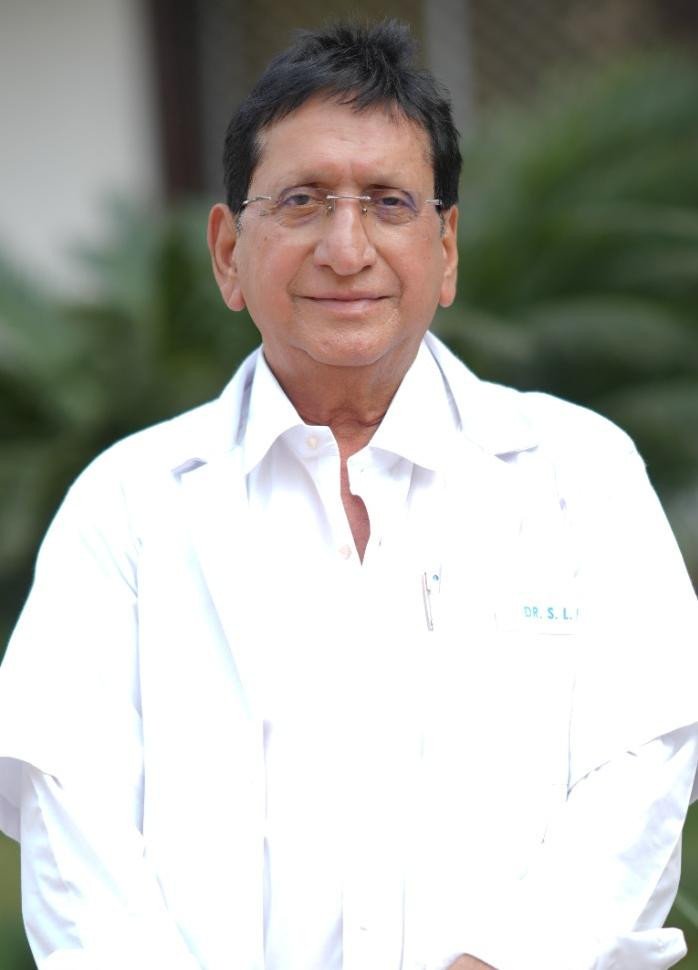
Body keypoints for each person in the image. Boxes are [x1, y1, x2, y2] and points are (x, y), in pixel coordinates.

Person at [1, 18, 697, 970]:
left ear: (446, 248)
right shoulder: (126, 508)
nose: (346, 246)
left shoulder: (579, 473)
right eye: (301, 201)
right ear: (227, 252)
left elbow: (643, 768)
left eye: (388, 203)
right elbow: (71, 820)